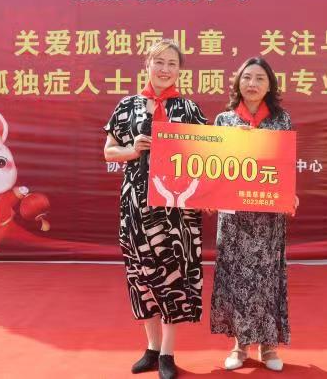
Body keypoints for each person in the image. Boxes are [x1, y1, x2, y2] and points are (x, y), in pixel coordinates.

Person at [103, 39, 207, 379]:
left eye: (172, 63)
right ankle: (150, 347)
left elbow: (209, 157)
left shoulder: (189, 110)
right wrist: (133, 150)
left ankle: (167, 353)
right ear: (147, 64)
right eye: (159, 62)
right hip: (136, 204)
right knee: (141, 273)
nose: (165, 69)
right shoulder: (126, 107)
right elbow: (108, 151)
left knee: (173, 273)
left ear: (180, 70)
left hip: (177, 208)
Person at [210, 56, 298, 372]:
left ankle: (269, 346)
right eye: (247, 77)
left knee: (267, 276)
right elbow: (214, 166)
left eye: (260, 78)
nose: (252, 84)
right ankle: (240, 345)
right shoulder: (224, 121)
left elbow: (286, 164)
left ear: (270, 85)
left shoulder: (281, 120)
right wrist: (210, 194)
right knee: (236, 277)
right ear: (238, 82)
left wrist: (290, 193)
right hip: (234, 216)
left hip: (268, 213)